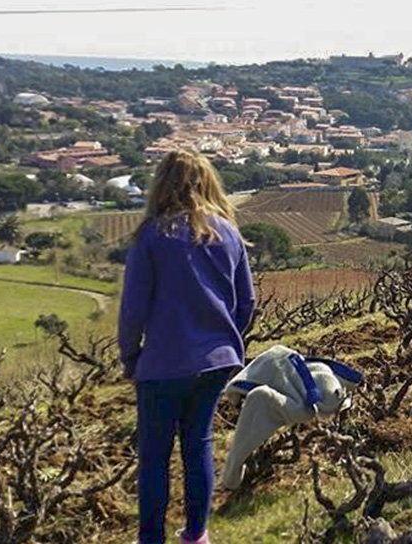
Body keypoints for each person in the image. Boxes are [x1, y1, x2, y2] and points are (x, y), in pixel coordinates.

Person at [119, 149, 255, 544]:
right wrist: (226, 338)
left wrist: (130, 356)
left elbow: (133, 308)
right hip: (217, 362)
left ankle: (151, 539)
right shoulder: (229, 233)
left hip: (162, 364)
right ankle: (196, 535)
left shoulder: (152, 235)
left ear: (161, 183)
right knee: (198, 445)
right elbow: (246, 302)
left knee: (154, 456)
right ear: (208, 182)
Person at [220, 345, 362, 490]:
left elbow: (257, 394)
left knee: (260, 398)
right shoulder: (299, 361)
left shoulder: (262, 373)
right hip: (328, 385)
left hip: (315, 395)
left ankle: (232, 477)